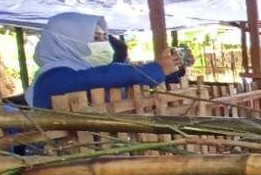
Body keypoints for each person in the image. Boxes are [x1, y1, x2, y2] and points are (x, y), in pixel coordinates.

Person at [27, 13, 185, 109]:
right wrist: (154, 70)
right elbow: (102, 77)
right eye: (96, 38)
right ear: (68, 42)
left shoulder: (84, 69)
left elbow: (125, 83)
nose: (103, 44)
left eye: (104, 38)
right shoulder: (52, 77)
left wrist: (169, 72)